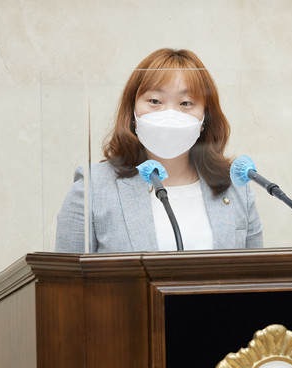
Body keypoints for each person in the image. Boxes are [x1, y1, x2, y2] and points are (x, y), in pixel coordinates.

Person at [55, 48, 263, 253]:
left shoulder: (236, 190)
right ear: (132, 112)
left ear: (204, 119)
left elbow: (256, 272)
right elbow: (67, 273)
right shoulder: (92, 189)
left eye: (186, 103)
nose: (170, 115)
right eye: (155, 101)